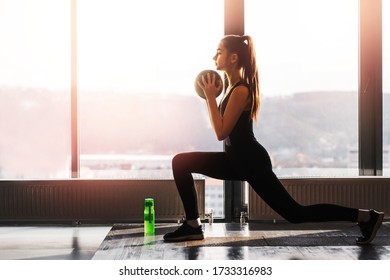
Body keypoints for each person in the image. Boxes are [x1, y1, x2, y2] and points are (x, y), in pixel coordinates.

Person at [163, 34, 384, 244]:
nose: (214, 57)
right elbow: (222, 129)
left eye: (218, 52)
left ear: (233, 57)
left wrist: (210, 97)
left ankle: (366, 217)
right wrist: (211, 97)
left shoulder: (241, 90)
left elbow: (221, 132)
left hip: (251, 161)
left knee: (296, 213)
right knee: (181, 162)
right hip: (235, 160)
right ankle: (193, 225)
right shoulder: (231, 87)